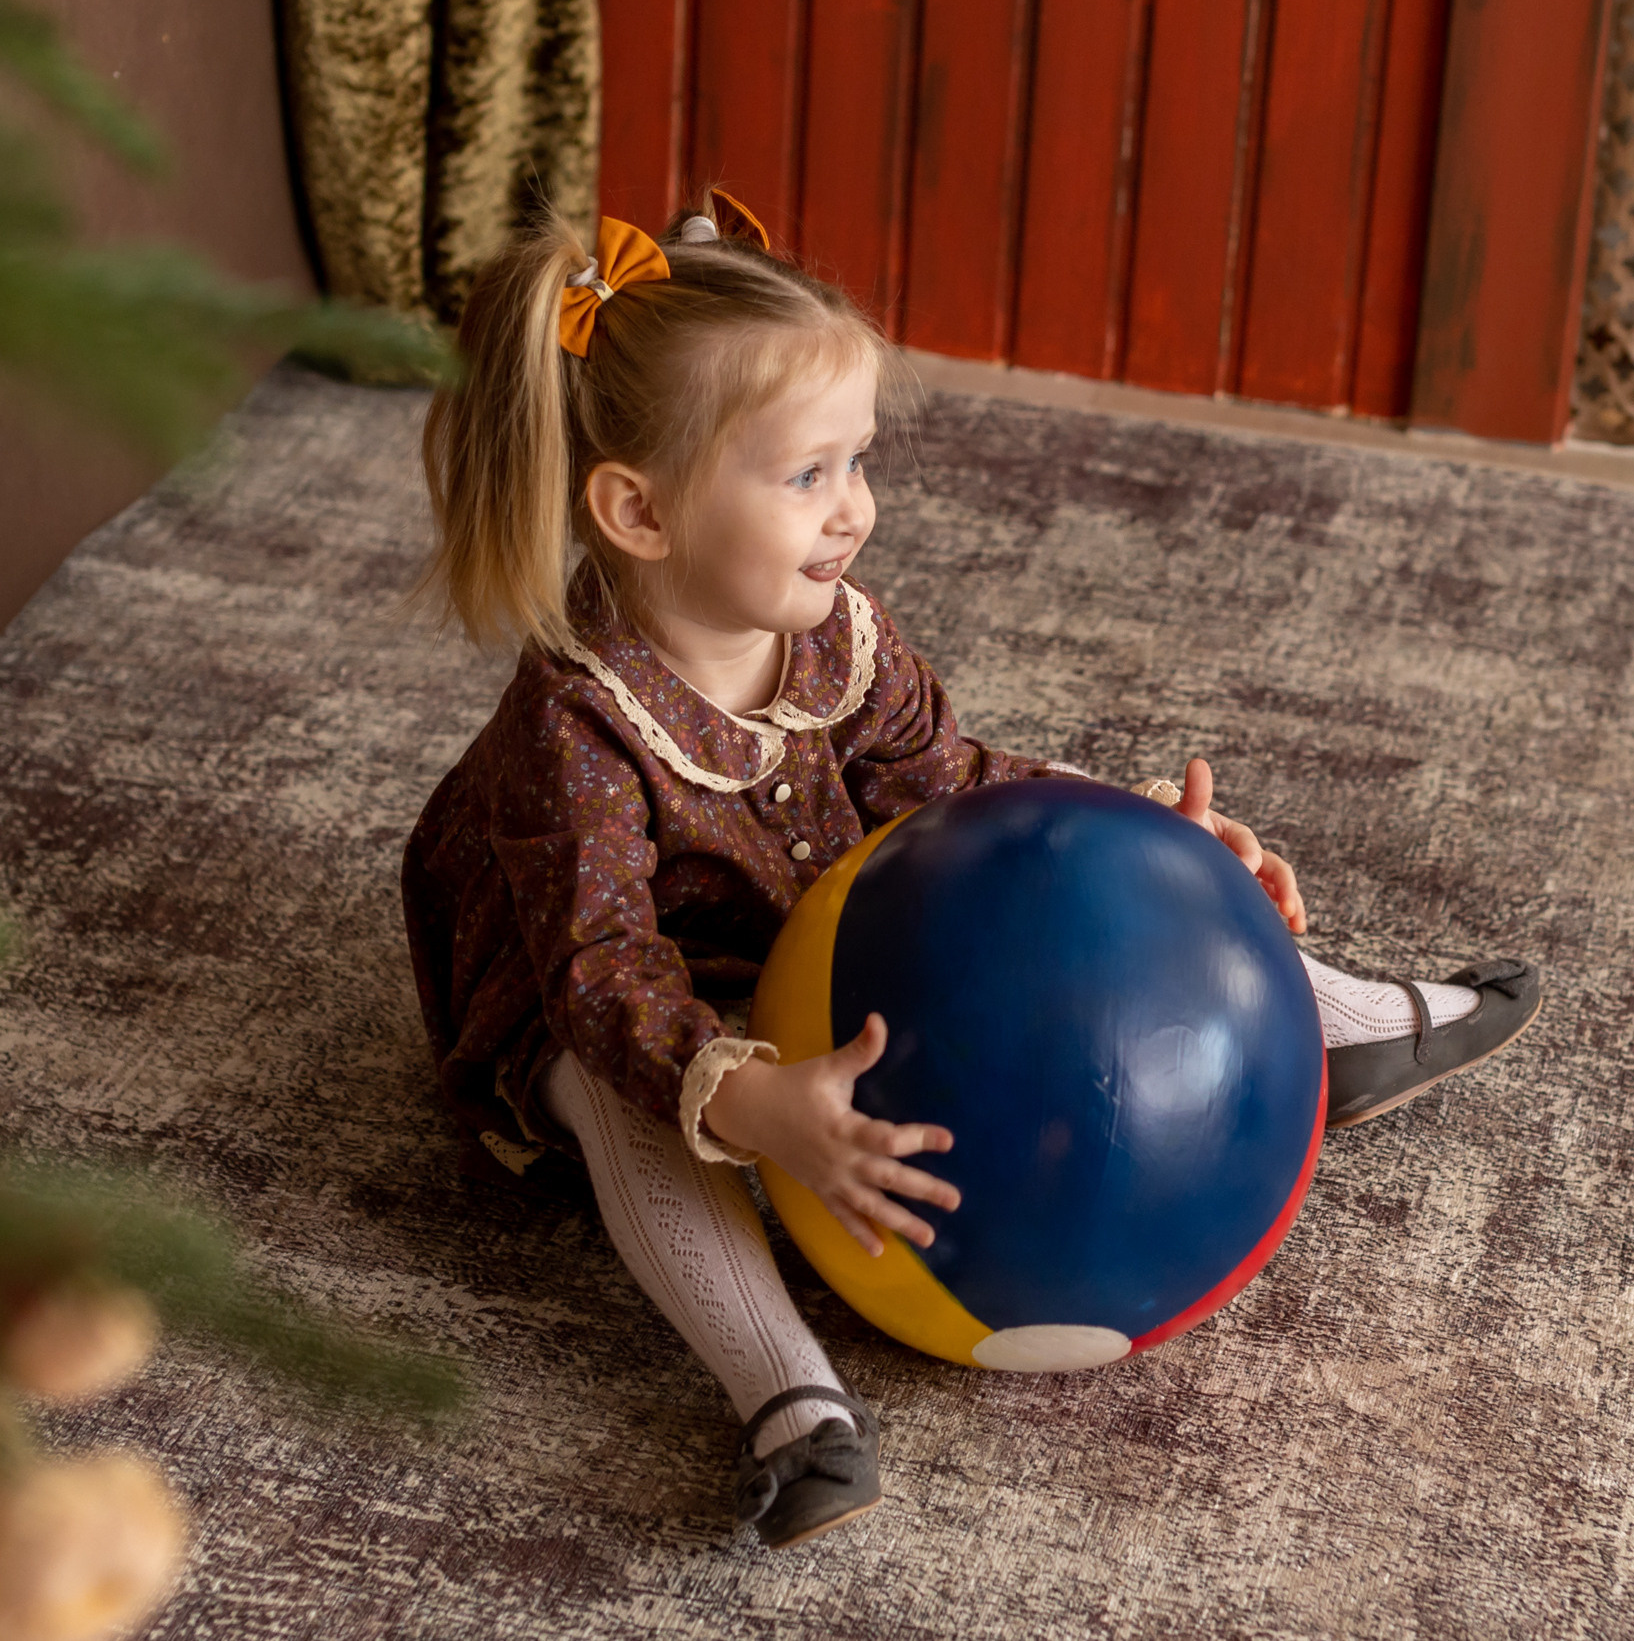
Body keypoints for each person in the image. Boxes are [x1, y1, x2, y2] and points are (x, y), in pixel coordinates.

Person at [399, 194, 1540, 1551]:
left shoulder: (835, 638)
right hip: (621, 1000)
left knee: (1087, 898)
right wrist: (758, 1106)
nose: (855, 512)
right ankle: (790, 1403)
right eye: (807, 477)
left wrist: (1156, 846)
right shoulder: (573, 726)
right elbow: (600, 974)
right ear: (638, 512)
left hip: (820, 934)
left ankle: (1337, 1024)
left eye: (857, 463)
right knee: (615, 1098)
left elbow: (957, 788)